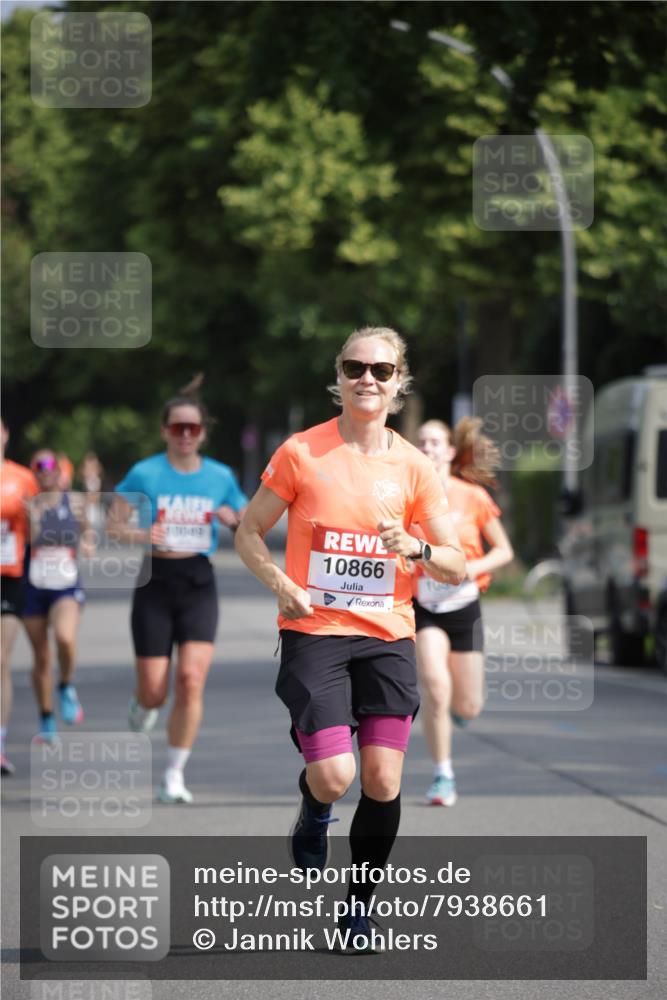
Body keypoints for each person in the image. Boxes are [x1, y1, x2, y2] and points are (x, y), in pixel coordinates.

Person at [235, 326, 465, 950]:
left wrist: (416, 547)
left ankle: (358, 909)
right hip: (316, 629)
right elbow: (249, 531)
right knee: (336, 777)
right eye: (355, 366)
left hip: (388, 633)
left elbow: (455, 562)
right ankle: (314, 811)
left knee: (384, 780)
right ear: (337, 377)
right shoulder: (301, 452)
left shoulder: (413, 466)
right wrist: (279, 581)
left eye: (382, 370)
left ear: (399, 383)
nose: (368, 377)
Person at [108, 376, 248, 804]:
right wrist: (143, 534)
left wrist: (235, 520)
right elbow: (114, 525)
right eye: (176, 428)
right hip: (155, 582)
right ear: (164, 430)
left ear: (203, 432)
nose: (185, 435)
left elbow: (248, 524)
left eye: (192, 428)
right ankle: (143, 705)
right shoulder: (144, 472)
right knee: (155, 690)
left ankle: (173, 774)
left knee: (190, 680)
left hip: (198, 582)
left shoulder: (221, 476)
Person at [414, 418, 513, 806]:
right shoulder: (406, 497)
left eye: (435, 441)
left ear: (451, 451)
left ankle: (457, 713)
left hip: (463, 604)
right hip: (423, 604)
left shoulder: (471, 496)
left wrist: (468, 568)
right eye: (421, 441)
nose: (427, 447)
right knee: (436, 688)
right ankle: (443, 775)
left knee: (468, 704)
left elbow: (504, 551)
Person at [22, 450, 93, 743]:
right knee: (41, 657)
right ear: (33, 472)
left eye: (50, 464)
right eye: (38, 466)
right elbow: (27, 540)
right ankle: (47, 719)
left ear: (59, 469)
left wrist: (88, 541)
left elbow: (88, 529)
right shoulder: (27, 504)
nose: (45, 470)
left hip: (65, 585)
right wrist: (32, 519)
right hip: (33, 585)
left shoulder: (73, 501)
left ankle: (65, 685)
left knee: (64, 637)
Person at [0, 419, 39, 773]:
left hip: (8, 576)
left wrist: (34, 519)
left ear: (6, 434)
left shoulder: (23, 478)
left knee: (1, 660)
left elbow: (38, 536)